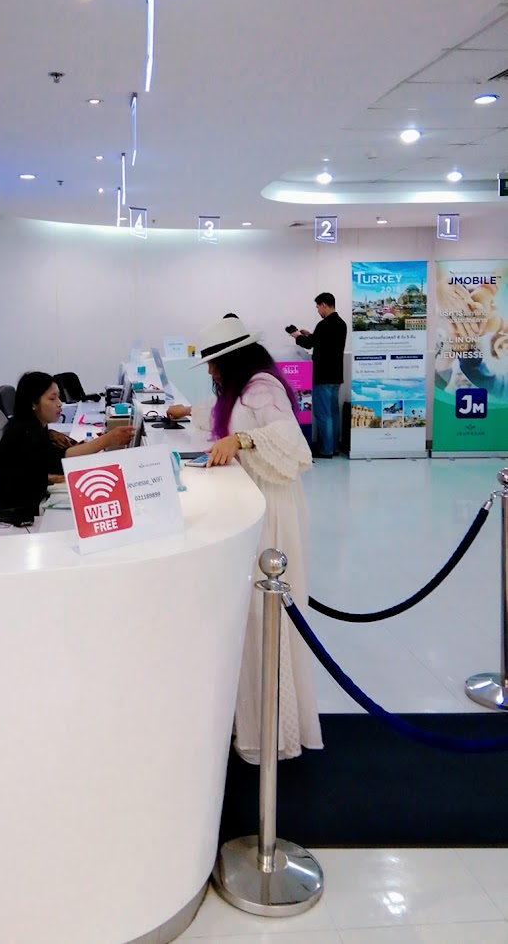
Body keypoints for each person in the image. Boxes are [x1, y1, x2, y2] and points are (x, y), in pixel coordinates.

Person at [193, 318, 321, 763]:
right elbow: (224, 417)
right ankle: (250, 721)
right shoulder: (244, 389)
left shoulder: (262, 387)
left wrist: (242, 439)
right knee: (250, 616)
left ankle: (272, 732)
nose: (211, 372)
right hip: (254, 504)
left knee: (264, 614)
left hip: (269, 508)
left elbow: (290, 440)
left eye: (214, 364)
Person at [0, 372, 135, 519]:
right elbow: (61, 459)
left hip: (22, 506)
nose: (59, 403)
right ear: (33, 403)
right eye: (52, 398)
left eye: (58, 397)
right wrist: (108, 439)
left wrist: (49, 478)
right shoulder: (25, 433)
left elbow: (44, 463)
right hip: (8, 516)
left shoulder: (32, 426)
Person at [290, 292, 347, 458]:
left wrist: (297, 336)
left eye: (317, 307)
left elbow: (309, 345)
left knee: (323, 414)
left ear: (324, 305)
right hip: (336, 375)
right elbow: (323, 342)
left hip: (323, 375)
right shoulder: (341, 324)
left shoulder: (324, 325)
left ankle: (325, 449)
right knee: (333, 413)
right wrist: (309, 334)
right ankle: (334, 447)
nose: (317, 310)